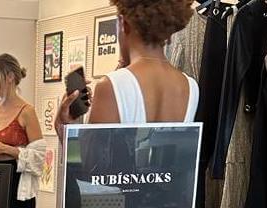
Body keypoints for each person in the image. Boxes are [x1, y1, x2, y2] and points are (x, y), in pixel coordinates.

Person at [55, 0, 199, 133]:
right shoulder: (190, 86)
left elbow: (93, 159)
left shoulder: (111, 85)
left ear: (123, 24)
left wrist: (67, 130)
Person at [0, 53, 45, 208]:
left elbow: (39, 158)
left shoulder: (27, 112)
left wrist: (7, 150)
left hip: (17, 183)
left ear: (9, 77)